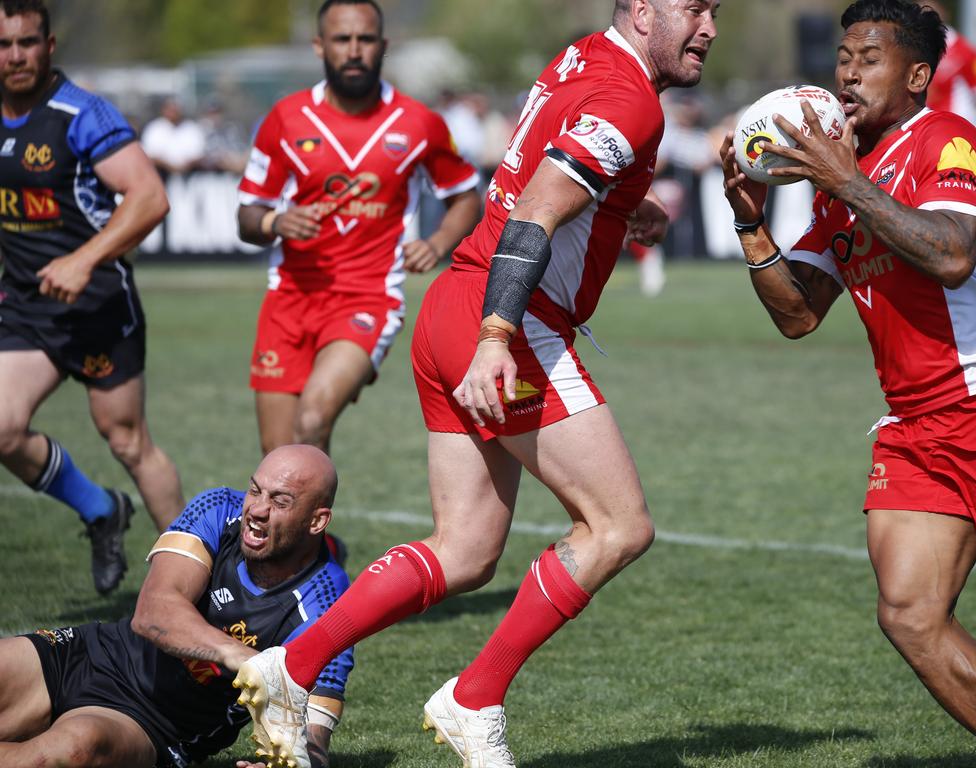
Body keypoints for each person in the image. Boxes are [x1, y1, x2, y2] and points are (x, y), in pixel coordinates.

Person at [231, 2, 719, 767]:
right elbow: (534, 207)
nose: (711, 28)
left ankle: (291, 667)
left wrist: (624, 207)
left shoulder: (586, 54)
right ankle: (476, 695)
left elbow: (542, 164)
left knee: (464, 553)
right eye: (696, 8)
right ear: (644, 10)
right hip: (506, 323)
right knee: (619, 526)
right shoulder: (629, 98)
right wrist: (498, 338)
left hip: (453, 308)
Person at [719, 1, 976, 764]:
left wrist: (845, 181)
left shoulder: (945, 139)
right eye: (844, 58)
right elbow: (798, 313)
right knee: (911, 614)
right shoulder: (839, 181)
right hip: (916, 428)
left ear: (918, 75)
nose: (848, 73)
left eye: (870, 58)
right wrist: (752, 223)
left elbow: (951, 254)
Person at [0, 444, 354, 768]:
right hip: (89, 654)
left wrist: (289, 764)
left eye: (280, 502)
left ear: (317, 520)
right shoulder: (218, 509)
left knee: (68, 751)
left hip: (152, 724)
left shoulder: (328, 603)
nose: (257, 510)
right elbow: (153, 612)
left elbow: (316, 740)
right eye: (255, 490)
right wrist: (248, 660)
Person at [237, 0, 481, 457]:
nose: (354, 50)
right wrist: (275, 221)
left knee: (312, 419)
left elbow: (465, 197)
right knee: (277, 461)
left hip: (368, 299)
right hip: (288, 299)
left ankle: (315, 528)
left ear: (383, 47)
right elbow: (247, 217)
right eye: (342, 39)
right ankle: (319, 533)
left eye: (365, 40)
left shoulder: (419, 123)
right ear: (319, 46)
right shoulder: (285, 119)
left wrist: (438, 242)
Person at [0, 0, 183, 595]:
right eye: (5, 45)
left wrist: (83, 261)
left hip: (98, 303)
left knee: (128, 440)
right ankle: (102, 510)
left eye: (27, 42)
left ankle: (197, 584)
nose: (16, 56)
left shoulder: (81, 113)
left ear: (49, 46)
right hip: (28, 308)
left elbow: (150, 197)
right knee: (2, 430)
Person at [913, 0, 976, 185]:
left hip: (959, 141)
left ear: (944, 13)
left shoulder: (964, 51)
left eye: (931, 10)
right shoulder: (914, 51)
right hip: (926, 136)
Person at [140, 97, 207, 176]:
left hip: (189, 175)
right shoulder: (154, 128)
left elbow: (200, 154)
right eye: (170, 109)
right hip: (161, 174)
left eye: (175, 109)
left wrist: (184, 166)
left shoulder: (192, 128)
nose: (173, 112)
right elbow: (148, 154)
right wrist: (168, 166)